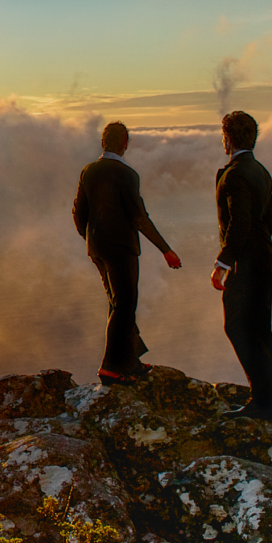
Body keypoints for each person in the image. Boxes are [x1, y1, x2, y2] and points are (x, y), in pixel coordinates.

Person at [73, 121, 181, 386]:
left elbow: (78, 213)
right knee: (125, 304)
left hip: (96, 249)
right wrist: (166, 250)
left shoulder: (88, 171)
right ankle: (111, 367)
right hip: (121, 248)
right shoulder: (127, 175)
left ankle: (131, 359)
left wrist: (91, 239)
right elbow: (139, 218)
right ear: (125, 144)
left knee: (116, 303)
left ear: (103, 143)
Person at [211, 111, 272, 420]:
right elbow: (268, 220)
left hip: (247, 264)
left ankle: (262, 400)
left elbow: (239, 223)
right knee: (261, 330)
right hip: (265, 259)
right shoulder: (260, 170)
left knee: (237, 326)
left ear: (227, 138)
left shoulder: (236, 174)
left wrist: (223, 263)